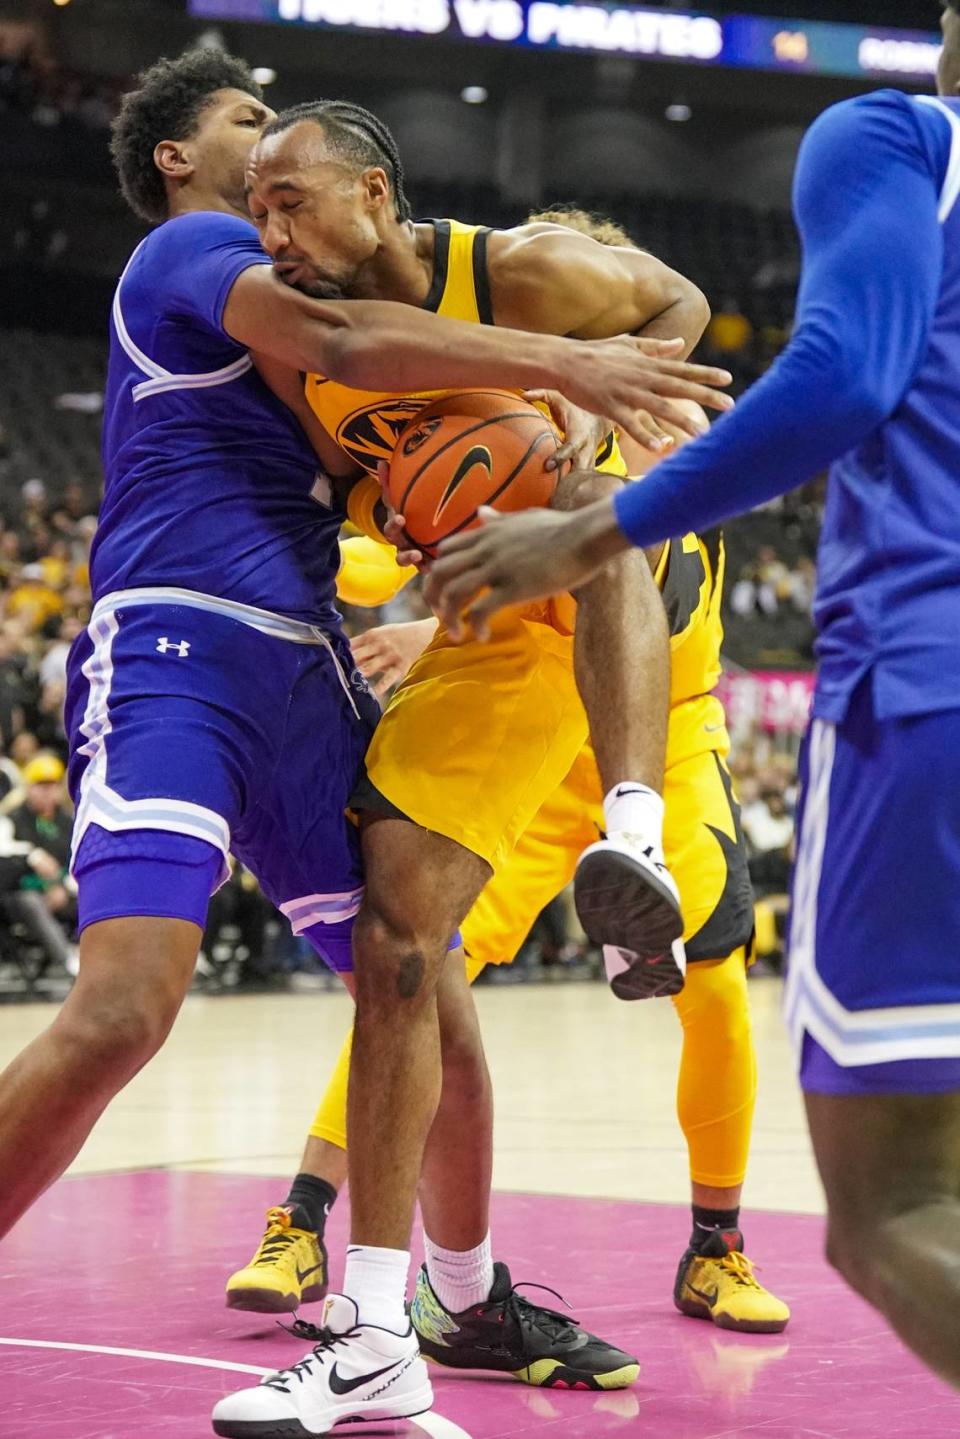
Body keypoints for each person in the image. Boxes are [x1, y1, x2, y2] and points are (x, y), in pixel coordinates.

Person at [0, 46, 727, 1434]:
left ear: (367, 193)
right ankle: (388, 1286)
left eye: (290, 156)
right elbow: (344, 356)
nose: (266, 154)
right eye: (243, 129)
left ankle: (449, 1294)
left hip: (307, 663)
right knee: (126, 1006)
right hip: (181, 644)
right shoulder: (190, 255)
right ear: (178, 158)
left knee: (421, 974)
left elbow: (390, 411)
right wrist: (562, 370)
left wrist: (566, 438)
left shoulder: (382, 276)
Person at [425, 15, 960, 1390]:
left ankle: (713, 1233)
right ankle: (318, 1221)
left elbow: (843, 374)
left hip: (902, 694)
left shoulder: (900, 140)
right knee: (424, 956)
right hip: (562, 756)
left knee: (897, 1201)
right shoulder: (552, 420)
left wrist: (585, 533)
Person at [214, 115, 734, 1434]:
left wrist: (607, 397)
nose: (270, 236)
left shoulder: (521, 268)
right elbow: (335, 483)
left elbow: (681, 302)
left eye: (291, 203)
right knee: (402, 945)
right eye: (254, 212)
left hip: (602, 596)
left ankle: (633, 842)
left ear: (374, 192)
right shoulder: (294, 343)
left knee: (601, 515)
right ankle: (380, 1324)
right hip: (486, 632)